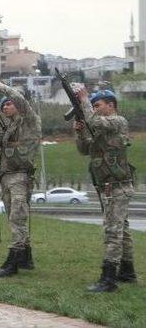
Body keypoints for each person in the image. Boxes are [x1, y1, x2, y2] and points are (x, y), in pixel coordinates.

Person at [74, 88, 137, 292]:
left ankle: (108, 279)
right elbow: (84, 149)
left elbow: (94, 121)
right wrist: (80, 131)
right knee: (122, 230)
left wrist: (83, 99)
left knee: (112, 231)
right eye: (92, 105)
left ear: (111, 105)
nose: (94, 108)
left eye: (97, 105)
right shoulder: (99, 127)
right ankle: (127, 272)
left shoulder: (118, 121)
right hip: (107, 186)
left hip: (117, 186)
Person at [0, 74, 40, 277]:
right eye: (2, 105)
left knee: (17, 216)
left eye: (8, 104)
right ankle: (26, 257)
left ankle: (13, 261)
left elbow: (19, 99)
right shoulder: (9, 128)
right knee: (14, 217)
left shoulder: (29, 120)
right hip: (7, 176)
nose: (5, 107)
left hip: (20, 176)